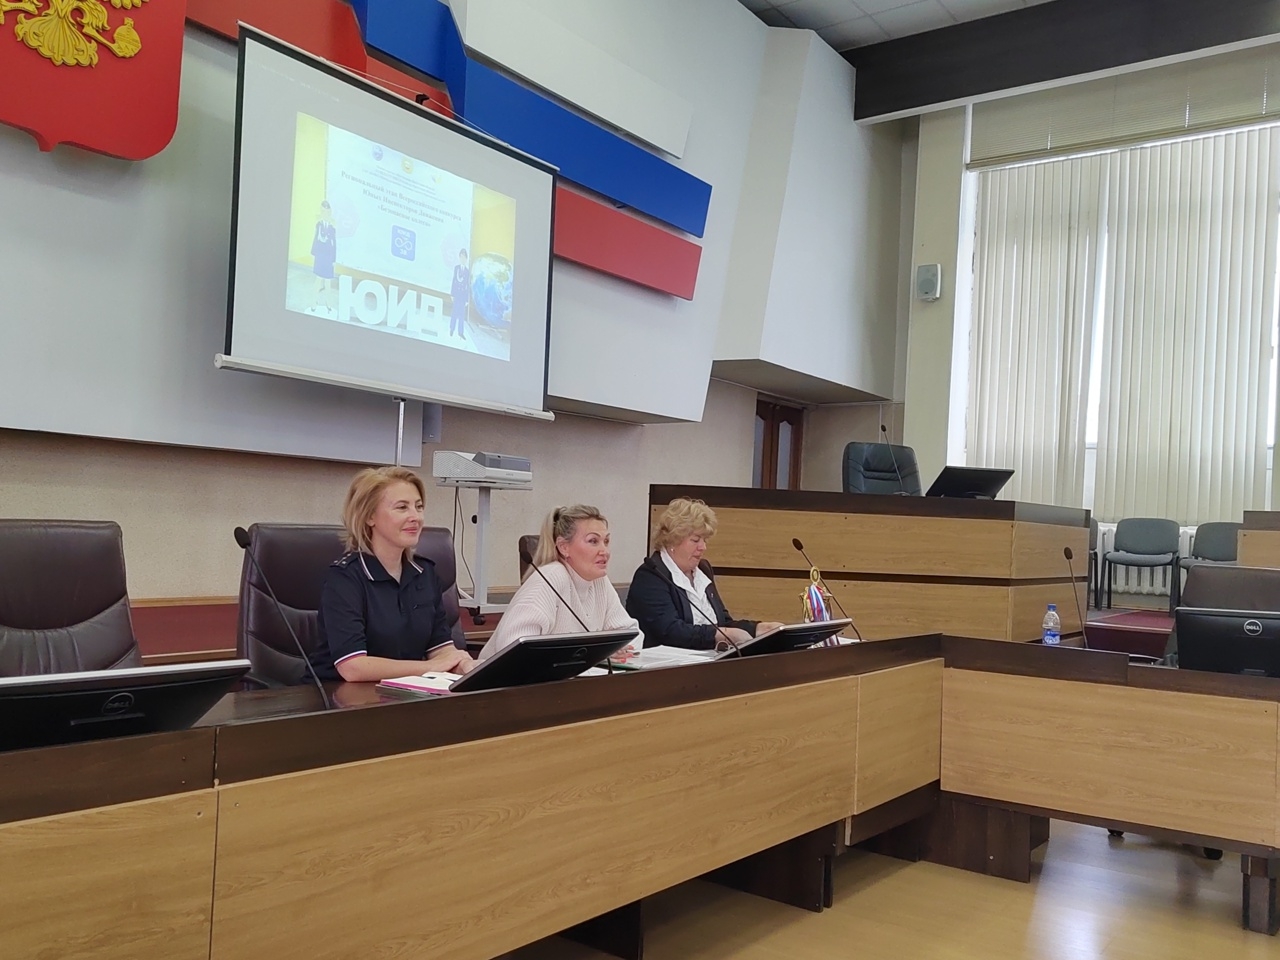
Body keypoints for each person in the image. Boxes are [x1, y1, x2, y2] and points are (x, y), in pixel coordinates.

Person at [315, 466, 474, 682]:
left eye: (419, 507)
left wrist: (463, 664)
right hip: (338, 695)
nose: (415, 517)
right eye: (402, 507)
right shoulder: (345, 578)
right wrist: (430, 667)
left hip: (403, 692)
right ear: (369, 516)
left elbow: (440, 648)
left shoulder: (425, 573)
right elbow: (353, 667)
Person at [478, 504, 640, 660]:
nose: (604, 551)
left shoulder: (599, 581)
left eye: (606, 541)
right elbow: (513, 649)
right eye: (593, 541)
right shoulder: (550, 577)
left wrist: (612, 650)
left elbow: (632, 634)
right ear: (563, 547)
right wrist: (598, 653)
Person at [627, 498, 784, 650]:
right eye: (695, 540)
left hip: (708, 660)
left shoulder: (703, 569)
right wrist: (717, 635)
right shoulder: (650, 575)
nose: (703, 547)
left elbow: (723, 623)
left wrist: (758, 629)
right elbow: (670, 631)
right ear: (673, 540)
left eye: (705, 540)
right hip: (668, 664)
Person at [311, 200, 337, 313]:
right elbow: (315, 238)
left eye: (327, 212)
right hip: (320, 256)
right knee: (318, 281)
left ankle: (328, 303)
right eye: (323, 212)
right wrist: (314, 253)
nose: (325, 214)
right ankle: (314, 303)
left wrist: (333, 259)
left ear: (329, 213)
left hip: (328, 257)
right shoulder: (319, 225)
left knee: (328, 282)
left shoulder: (332, 228)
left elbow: (334, 244)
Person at [449, 247, 470, 340]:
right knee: (454, 312)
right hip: (456, 294)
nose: (463, 259)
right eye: (461, 257)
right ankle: (452, 329)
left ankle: (460, 332)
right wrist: (452, 294)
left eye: (464, 257)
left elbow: (467, 286)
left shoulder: (467, 272)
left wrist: (467, 299)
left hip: (462, 295)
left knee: (461, 314)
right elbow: (454, 281)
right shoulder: (456, 268)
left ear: (466, 259)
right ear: (459, 257)